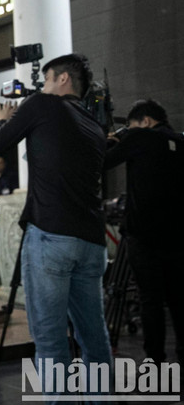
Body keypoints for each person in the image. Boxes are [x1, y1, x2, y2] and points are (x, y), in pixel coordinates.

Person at [0, 54, 113, 394]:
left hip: (52, 238)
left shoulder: (41, 105)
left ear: (63, 79)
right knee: (94, 339)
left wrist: (1, 120)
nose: (42, 87)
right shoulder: (95, 126)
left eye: (47, 79)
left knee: (51, 342)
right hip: (91, 242)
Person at [104, 99, 184, 363]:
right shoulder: (180, 141)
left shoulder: (140, 137)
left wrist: (112, 141)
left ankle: (155, 360)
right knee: (177, 298)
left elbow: (103, 162)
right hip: (177, 236)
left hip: (143, 235)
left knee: (150, 300)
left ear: (146, 121)